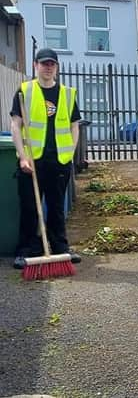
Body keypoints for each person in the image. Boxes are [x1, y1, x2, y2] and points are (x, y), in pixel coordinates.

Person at [10, 48, 82, 269]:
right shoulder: (25, 91)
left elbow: (74, 126)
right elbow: (15, 125)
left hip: (59, 161)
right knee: (30, 207)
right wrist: (23, 158)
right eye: (44, 64)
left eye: (52, 64)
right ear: (36, 66)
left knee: (56, 207)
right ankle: (27, 251)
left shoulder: (68, 94)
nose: (48, 67)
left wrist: (69, 154)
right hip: (32, 162)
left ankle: (60, 248)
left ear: (57, 67)